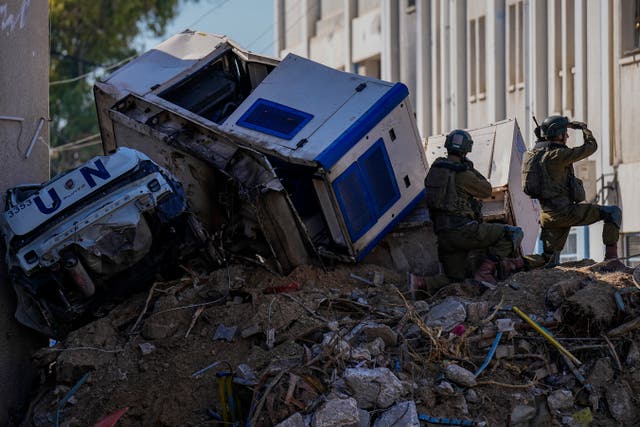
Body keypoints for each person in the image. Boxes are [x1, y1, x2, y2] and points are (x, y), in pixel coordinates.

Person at [419, 129, 526, 288]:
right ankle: (484, 273)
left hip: (442, 235)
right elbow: (486, 190)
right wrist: (470, 168)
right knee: (513, 233)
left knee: (455, 280)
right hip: (463, 232)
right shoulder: (463, 174)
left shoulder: (436, 170)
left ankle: (418, 283)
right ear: (465, 151)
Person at [523, 115, 622, 268]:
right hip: (566, 213)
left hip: (547, 216)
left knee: (548, 259)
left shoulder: (532, 156)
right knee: (613, 213)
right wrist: (584, 129)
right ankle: (612, 261)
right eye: (565, 133)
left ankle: (510, 264)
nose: (567, 136)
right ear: (559, 135)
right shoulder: (558, 156)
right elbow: (591, 146)